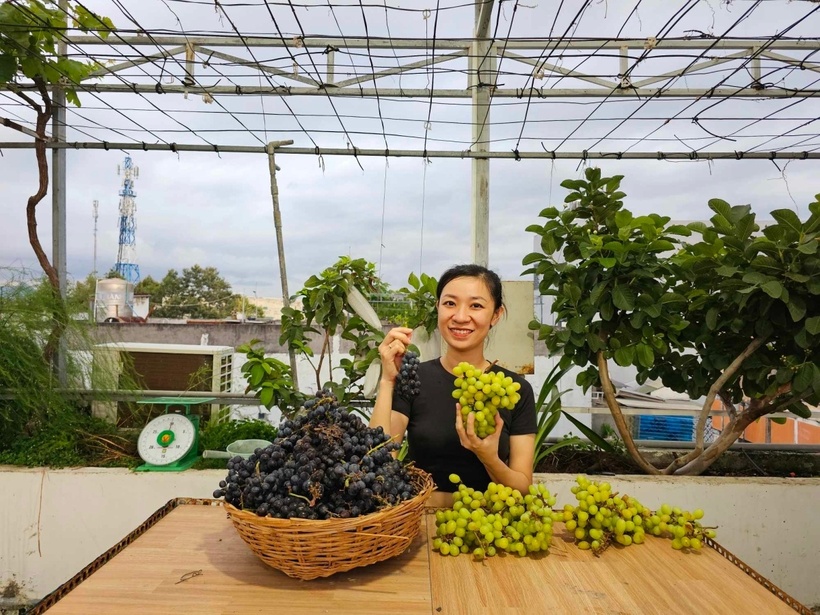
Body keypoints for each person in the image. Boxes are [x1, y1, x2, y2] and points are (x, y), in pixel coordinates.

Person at [369, 264, 536, 507]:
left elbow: (522, 490)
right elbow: (379, 461)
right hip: (420, 522)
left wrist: (489, 457)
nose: (459, 316)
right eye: (449, 303)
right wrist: (387, 380)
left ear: (496, 315)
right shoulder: (414, 377)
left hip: (488, 530)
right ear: (438, 307)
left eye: (476, 305)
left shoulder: (514, 390)